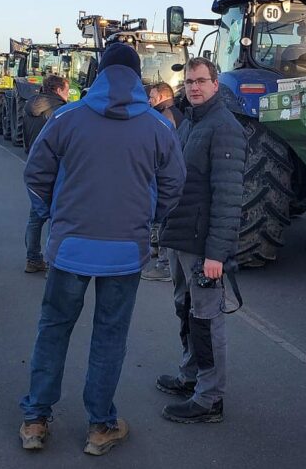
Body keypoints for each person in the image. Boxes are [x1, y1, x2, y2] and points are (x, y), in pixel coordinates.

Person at [19, 42, 185, 455]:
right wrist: (147, 220)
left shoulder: (66, 116)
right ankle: (100, 427)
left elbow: (36, 173)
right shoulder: (158, 125)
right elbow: (173, 186)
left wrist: (56, 215)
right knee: (109, 337)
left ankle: (36, 420)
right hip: (125, 252)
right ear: (136, 75)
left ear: (99, 72)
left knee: (54, 329)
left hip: (70, 248)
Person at [157, 56, 246, 424]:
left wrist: (216, 254)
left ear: (215, 84)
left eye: (200, 81)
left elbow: (227, 196)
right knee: (187, 311)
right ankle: (190, 375)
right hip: (181, 238)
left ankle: (209, 399)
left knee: (207, 320)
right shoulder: (189, 123)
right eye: (189, 81)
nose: (193, 87)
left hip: (202, 247)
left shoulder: (223, 127)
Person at [21, 75, 69, 273]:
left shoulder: (28, 106)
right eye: (66, 90)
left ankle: (32, 258)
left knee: (36, 216)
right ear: (58, 90)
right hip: (56, 167)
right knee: (56, 216)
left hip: (35, 165)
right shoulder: (61, 111)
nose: (68, 94)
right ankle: (51, 262)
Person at [142, 82, 185, 282]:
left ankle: (164, 265)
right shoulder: (175, 114)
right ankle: (158, 252)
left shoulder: (163, 118)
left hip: (166, 179)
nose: (148, 101)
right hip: (172, 178)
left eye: (151, 97)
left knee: (164, 222)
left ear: (161, 97)